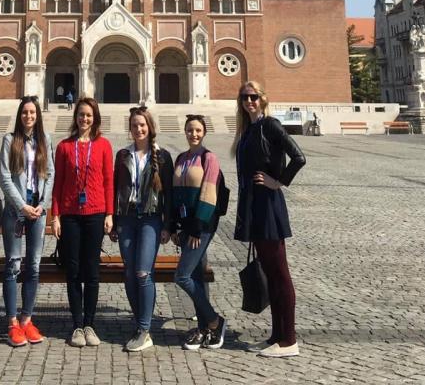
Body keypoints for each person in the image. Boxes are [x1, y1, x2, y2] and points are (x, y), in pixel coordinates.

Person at [233, 80, 306, 358]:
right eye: (244, 97)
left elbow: (298, 157)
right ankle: (276, 335)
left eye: (253, 97)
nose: (249, 101)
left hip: (269, 205)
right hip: (255, 206)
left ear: (262, 99)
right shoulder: (250, 129)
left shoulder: (270, 125)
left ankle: (289, 340)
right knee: (271, 273)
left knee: (279, 273)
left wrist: (279, 182)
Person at [110, 106, 174, 352]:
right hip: (126, 219)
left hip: (150, 219)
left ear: (150, 127)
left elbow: (168, 193)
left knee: (142, 273)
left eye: (142, 125)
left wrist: (167, 225)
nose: (138, 129)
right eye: (135, 125)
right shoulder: (123, 155)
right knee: (129, 272)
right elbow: (116, 189)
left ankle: (145, 330)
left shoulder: (163, 156)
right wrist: (114, 222)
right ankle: (140, 324)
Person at [52, 96, 114, 347]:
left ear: (95, 118)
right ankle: (77, 325)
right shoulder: (64, 146)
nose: (84, 119)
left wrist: (110, 213)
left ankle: (90, 324)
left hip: (96, 213)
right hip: (70, 215)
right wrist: (55, 214)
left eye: (88, 115)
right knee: (74, 270)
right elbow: (58, 184)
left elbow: (109, 181)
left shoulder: (104, 145)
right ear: (75, 117)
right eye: (81, 115)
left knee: (92, 271)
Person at [0, 96, 54, 347]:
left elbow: (50, 174)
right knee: (12, 264)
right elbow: (4, 178)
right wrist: (22, 205)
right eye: (25, 112)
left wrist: (43, 204)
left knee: (33, 266)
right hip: (16, 211)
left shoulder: (45, 140)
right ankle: (12, 323)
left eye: (32, 112)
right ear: (20, 115)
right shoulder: (10, 140)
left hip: (38, 211)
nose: (28, 116)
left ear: (38, 115)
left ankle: (26, 320)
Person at [172, 114, 227, 351]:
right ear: (184, 132)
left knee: (182, 276)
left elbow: (209, 193)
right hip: (185, 226)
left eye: (197, 130)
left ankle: (215, 320)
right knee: (195, 277)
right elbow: (175, 195)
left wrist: (196, 227)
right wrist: (175, 225)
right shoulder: (182, 158)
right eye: (189, 130)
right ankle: (206, 329)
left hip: (201, 227)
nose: (193, 134)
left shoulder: (209, 158)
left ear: (204, 132)